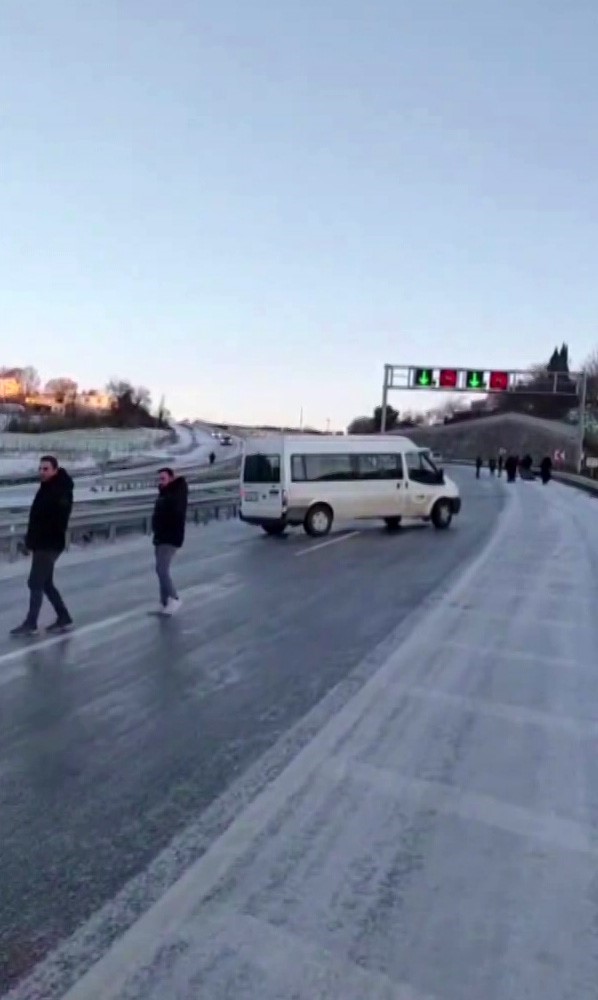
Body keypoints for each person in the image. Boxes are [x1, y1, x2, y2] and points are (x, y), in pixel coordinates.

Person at [10, 455, 74, 636]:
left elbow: (56, 519)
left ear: (55, 470)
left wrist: (39, 538)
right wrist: (31, 540)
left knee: (35, 582)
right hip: (42, 542)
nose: (42, 472)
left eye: (46, 469)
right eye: (40, 468)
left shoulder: (60, 490)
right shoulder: (47, 487)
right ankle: (64, 617)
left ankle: (31, 623)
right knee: (45, 583)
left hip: (49, 543)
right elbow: (37, 518)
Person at [152, 467, 188, 615]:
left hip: (170, 537)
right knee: (160, 569)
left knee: (162, 570)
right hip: (161, 536)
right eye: (159, 479)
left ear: (171, 478)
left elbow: (175, 512)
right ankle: (165, 602)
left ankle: (174, 598)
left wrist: (165, 503)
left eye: (163, 478)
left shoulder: (175, 493)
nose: (161, 481)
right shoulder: (165, 492)